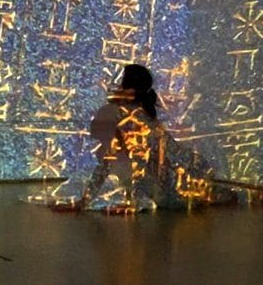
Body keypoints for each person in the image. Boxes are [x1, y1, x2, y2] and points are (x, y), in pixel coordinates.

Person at [56, 63, 238, 214]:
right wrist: (83, 201)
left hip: (174, 191)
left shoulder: (136, 122)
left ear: (129, 89)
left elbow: (139, 165)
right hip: (168, 188)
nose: (112, 85)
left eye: (119, 81)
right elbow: (107, 163)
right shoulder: (126, 118)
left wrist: (131, 204)